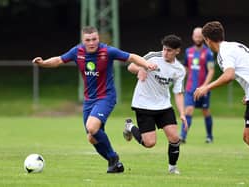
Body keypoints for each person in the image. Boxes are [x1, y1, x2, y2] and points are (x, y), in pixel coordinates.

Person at [32, 26, 157, 173]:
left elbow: (131, 57)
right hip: (89, 100)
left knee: (92, 127)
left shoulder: (107, 51)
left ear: (98, 38)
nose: (91, 42)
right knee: (91, 137)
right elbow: (59, 60)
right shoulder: (77, 52)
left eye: (94, 39)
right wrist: (43, 63)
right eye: (88, 40)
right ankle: (114, 164)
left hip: (106, 97)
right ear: (83, 40)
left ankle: (113, 158)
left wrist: (146, 64)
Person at [194, 21, 249, 184]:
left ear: (208, 40)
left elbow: (229, 75)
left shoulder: (224, 53)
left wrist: (206, 87)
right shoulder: (236, 45)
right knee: (248, 137)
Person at [123, 34, 188, 174]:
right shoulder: (153, 56)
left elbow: (178, 93)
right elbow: (131, 67)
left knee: (174, 138)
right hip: (143, 104)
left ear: (177, 51)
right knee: (149, 143)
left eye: (169, 50)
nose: (165, 52)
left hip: (163, 105)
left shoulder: (179, 70)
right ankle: (129, 126)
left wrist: (182, 113)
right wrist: (141, 69)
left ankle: (172, 168)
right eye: (164, 49)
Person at [180, 27, 215, 144]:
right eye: (196, 36)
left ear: (203, 38)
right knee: (188, 110)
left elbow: (211, 70)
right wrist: (180, 80)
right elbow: (185, 68)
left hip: (203, 88)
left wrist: (205, 86)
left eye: (200, 37)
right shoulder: (188, 51)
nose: (198, 39)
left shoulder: (208, 52)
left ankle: (209, 136)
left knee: (205, 111)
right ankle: (182, 137)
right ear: (192, 37)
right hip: (190, 88)